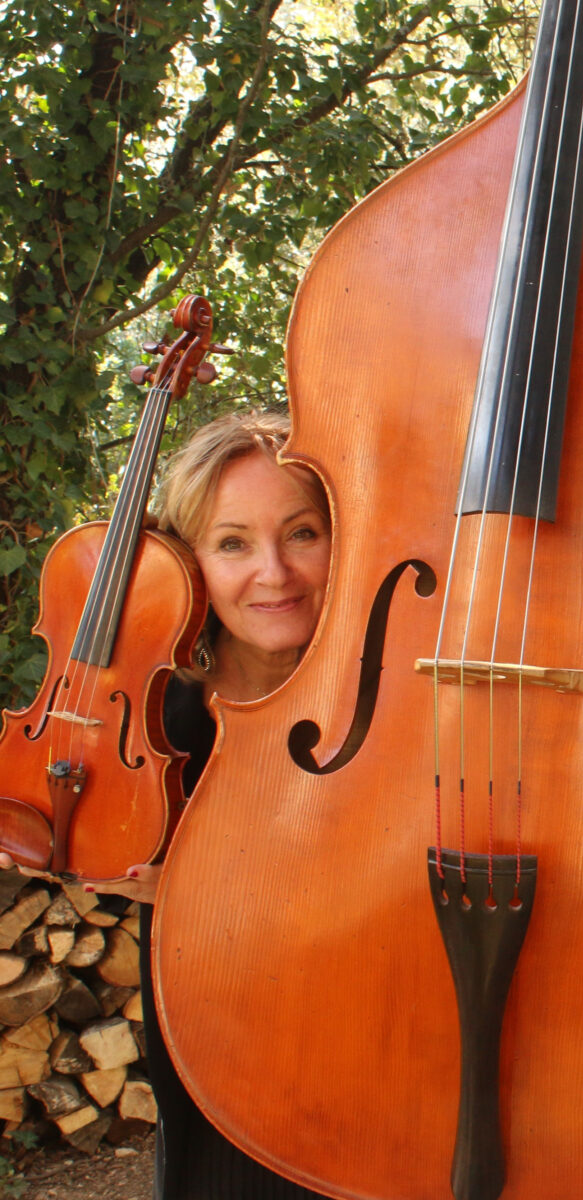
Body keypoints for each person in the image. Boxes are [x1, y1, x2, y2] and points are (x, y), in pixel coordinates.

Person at [94, 410, 332, 1200]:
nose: (274, 572)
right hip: (215, 1031)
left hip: (368, 1010)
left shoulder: (394, 686)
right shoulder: (154, 716)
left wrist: (206, 878)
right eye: (232, 543)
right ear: (190, 563)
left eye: (302, 533)